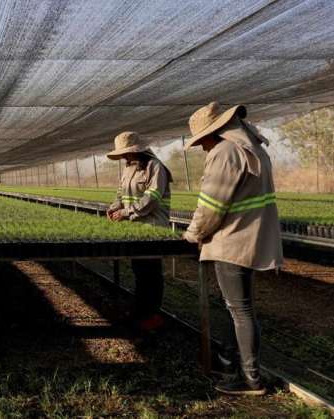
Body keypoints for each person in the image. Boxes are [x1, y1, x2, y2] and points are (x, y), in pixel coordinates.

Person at [182, 102, 283, 396]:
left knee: (240, 310)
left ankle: (250, 379)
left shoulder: (225, 152)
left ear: (216, 132)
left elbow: (212, 206)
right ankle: (233, 366)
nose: (202, 148)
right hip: (251, 238)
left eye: (203, 141)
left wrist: (193, 235)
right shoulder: (252, 148)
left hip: (232, 240)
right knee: (240, 309)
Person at [106, 131, 173, 332]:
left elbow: (151, 199)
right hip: (135, 228)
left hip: (153, 228)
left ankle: (152, 316)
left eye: (127, 153)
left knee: (151, 272)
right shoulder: (128, 168)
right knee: (139, 271)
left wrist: (126, 212)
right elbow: (121, 193)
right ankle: (141, 312)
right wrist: (114, 207)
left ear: (138, 150)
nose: (124, 157)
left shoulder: (155, 167)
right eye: (123, 154)